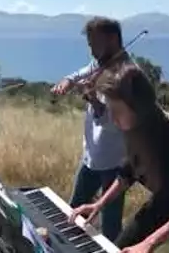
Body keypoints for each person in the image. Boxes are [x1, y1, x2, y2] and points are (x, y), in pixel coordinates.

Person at [69, 64, 169, 253]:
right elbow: (127, 173)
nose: (112, 118)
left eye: (116, 111)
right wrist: (99, 204)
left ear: (137, 108)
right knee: (119, 248)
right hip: (165, 199)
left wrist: (148, 244)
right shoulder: (134, 133)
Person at [50, 16, 131, 242]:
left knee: (110, 226)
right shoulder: (98, 65)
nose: (92, 51)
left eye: (94, 44)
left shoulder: (126, 75)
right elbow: (79, 74)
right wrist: (67, 81)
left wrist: (94, 102)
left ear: (112, 39)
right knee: (74, 211)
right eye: (89, 45)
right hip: (91, 156)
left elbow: (117, 120)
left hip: (115, 162)